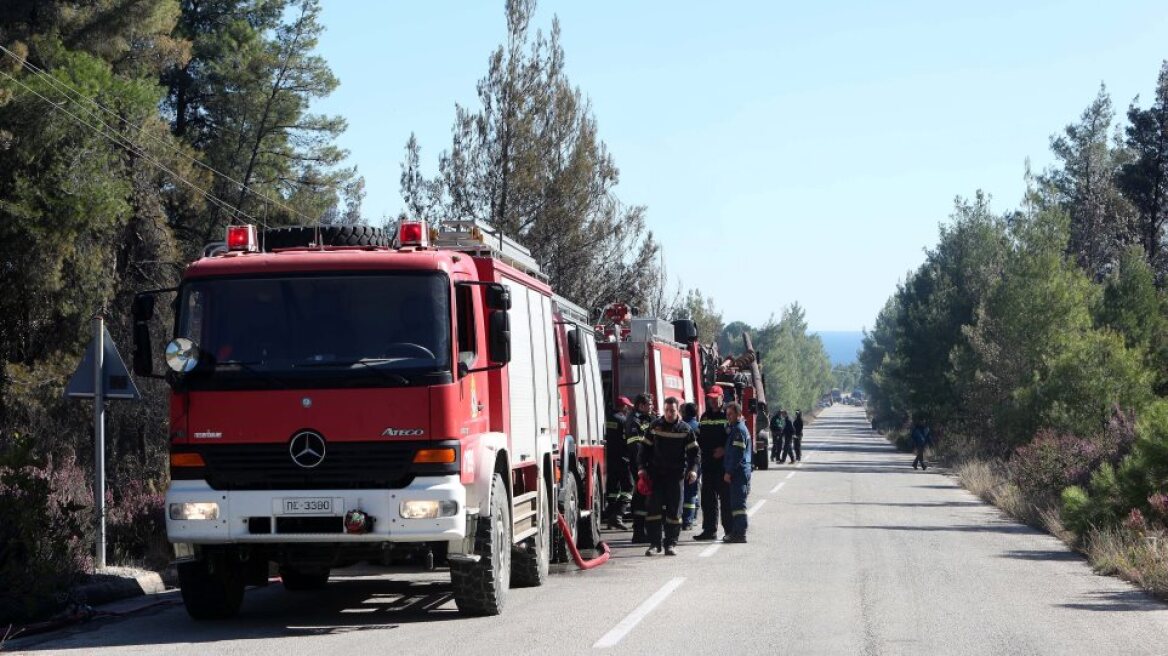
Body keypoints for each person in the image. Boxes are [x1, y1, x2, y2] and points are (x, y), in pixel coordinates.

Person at [639, 397, 700, 556]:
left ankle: (671, 544)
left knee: (674, 511)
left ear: (677, 411)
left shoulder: (685, 430)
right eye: (666, 410)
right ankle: (654, 544)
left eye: (672, 411)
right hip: (656, 475)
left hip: (676, 476)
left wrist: (693, 470)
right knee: (653, 510)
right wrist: (641, 469)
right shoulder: (655, 426)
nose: (669, 413)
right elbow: (643, 450)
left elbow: (694, 454)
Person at [695, 386, 731, 541]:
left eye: (716, 398)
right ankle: (709, 531)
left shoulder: (729, 416)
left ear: (722, 398)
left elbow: (737, 438)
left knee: (726, 500)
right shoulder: (704, 417)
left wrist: (724, 450)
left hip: (723, 465)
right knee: (708, 500)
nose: (713, 401)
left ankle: (730, 531)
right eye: (711, 398)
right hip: (708, 464)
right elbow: (700, 438)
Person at [625, 394, 656, 543]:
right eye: (649, 404)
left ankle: (647, 531)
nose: (651, 406)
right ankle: (638, 533)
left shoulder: (650, 418)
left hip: (650, 465)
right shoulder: (634, 420)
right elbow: (635, 446)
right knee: (641, 498)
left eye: (651, 404)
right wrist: (642, 466)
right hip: (640, 466)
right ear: (640, 405)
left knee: (648, 497)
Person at [722, 402, 752, 543]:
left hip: (738, 473)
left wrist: (729, 471)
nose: (728, 417)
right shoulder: (736, 428)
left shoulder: (739, 430)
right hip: (739, 472)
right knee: (736, 504)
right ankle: (737, 532)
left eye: (731, 414)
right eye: (727, 414)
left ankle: (740, 533)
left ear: (739, 414)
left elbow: (737, 454)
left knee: (738, 505)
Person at [604, 396, 635, 530]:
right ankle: (618, 515)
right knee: (629, 487)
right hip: (623, 458)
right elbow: (628, 439)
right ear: (623, 407)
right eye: (626, 406)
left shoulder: (607, 418)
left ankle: (611, 517)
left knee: (613, 489)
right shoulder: (623, 421)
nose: (627, 408)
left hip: (610, 458)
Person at [680, 402, 701, 529]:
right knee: (692, 491)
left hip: (683, 462)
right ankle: (690, 519)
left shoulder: (682, 426)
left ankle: (686, 519)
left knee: (685, 491)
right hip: (695, 463)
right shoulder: (699, 426)